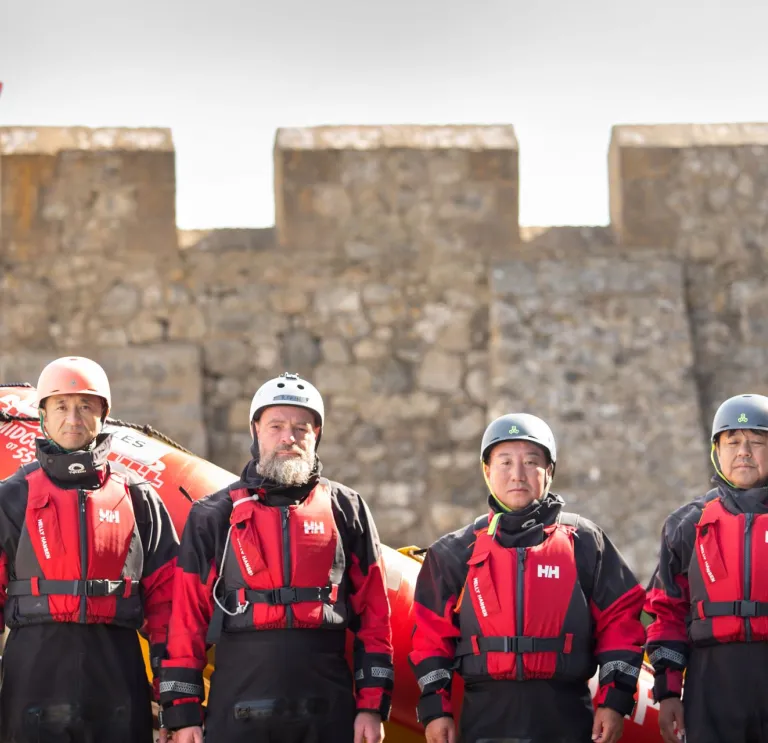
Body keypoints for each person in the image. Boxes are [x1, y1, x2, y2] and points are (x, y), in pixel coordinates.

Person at [159, 372, 393, 743]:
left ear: (317, 434)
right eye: (277, 426)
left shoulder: (347, 509)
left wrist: (371, 706)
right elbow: (187, 620)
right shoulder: (214, 515)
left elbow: (374, 618)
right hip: (238, 705)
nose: (289, 437)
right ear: (255, 430)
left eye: (301, 428)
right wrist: (183, 713)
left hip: (326, 709)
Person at [409, 413, 646, 743]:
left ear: (548, 472)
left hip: (567, 718)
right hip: (485, 720)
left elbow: (622, 623)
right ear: (487, 471)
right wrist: (437, 711)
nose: (517, 474)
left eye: (531, 462)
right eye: (505, 462)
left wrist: (614, 703)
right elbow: (429, 639)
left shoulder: (586, 543)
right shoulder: (454, 552)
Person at [0, 356, 179, 743]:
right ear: (43, 416)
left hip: (117, 680)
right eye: (61, 406)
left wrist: (176, 706)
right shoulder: (11, 498)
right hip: (32, 682)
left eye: (86, 406)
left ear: (104, 415)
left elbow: (169, 608)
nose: (73, 418)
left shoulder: (138, 497)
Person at [646, 393, 768, 743]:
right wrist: (668, 692)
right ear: (717, 452)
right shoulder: (687, 524)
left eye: (756, 441)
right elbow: (666, 614)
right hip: (711, 685)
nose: (743, 451)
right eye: (732, 442)